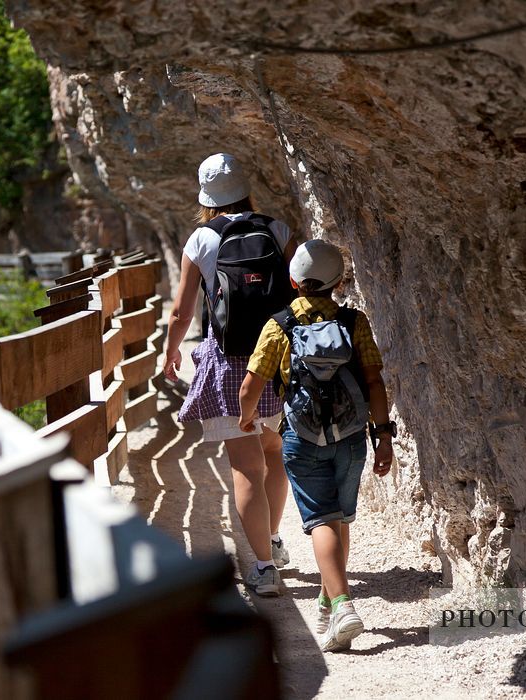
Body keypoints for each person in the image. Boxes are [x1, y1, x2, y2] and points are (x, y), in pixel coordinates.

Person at [237, 239, 395, 651]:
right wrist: (383, 435)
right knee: (339, 517)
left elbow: (251, 384)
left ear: (293, 281)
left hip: (301, 438)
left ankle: (342, 604)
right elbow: (374, 381)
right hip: (351, 437)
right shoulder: (354, 323)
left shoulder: (279, 325)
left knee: (321, 519)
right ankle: (328, 604)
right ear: (339, 281)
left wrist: (246, 416)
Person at [163, 152, 298, 597]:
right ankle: (274, 541)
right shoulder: (277, 230)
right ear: (244, 188)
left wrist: (170, 353)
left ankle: (261, 567)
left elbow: (183, 310)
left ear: (207, 198)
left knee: (245, 466)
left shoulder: (200, 239)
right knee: (273, 451)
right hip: (277, 358)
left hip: (229, 364)